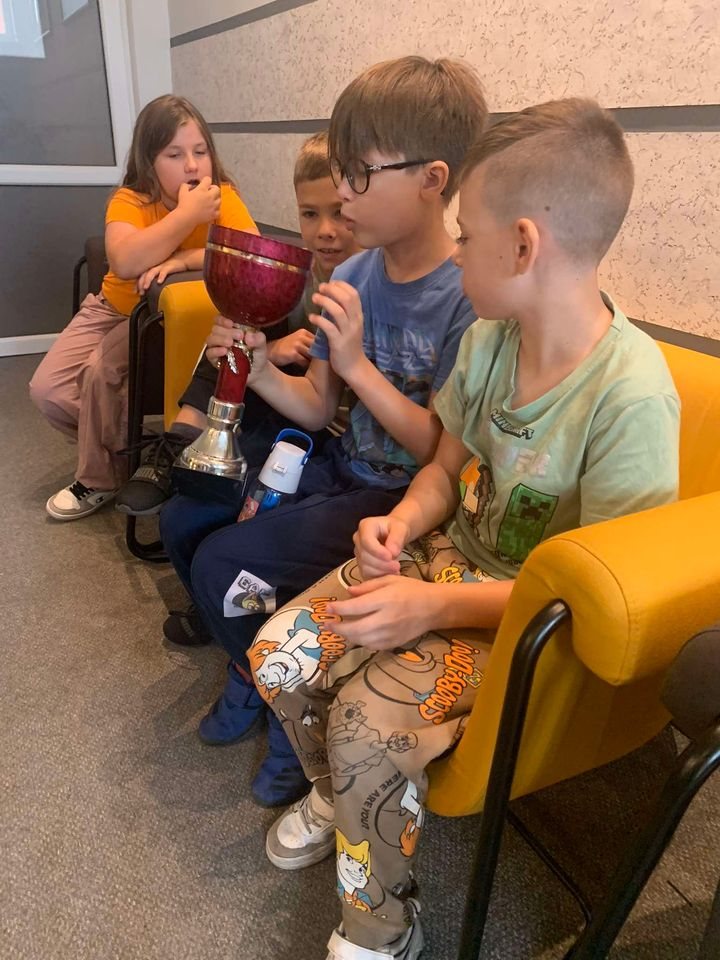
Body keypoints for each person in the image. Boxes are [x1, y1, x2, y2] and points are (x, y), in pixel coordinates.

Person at [249, 97, 681, 960]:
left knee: (363, 726)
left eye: (466, 235)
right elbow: (444, 471)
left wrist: (433, 608)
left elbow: (595, 597)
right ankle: (340, 796)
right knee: (277, 655)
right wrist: (399, 523)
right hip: (442, 563)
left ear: (522, 246)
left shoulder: (630, 397)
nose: (454, 253)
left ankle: (382, 930)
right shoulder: (488, 343)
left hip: (527, 622)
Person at [159, 56, 488, 807]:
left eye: (359, 174)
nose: (343, 193)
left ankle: (286, 706)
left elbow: (439, 454)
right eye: (342, 173)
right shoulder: (352, 276)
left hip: (397, 498)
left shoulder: (467, 298)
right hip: (337, 461)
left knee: (222, 566)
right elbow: (314, 406)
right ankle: (261, 665)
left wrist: (359, 365)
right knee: (188, 518)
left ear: (433, 179)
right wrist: (254, 366)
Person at [29, 94, 256, 521]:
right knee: (49, 392)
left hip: (153, 317)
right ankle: (124, 447)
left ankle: (100, 477)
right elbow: (125, 261)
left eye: (200, 151)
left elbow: (247, 255)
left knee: (100, 372)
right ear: (149, 162)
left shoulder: (221, 197)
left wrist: (182, 259)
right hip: (110, 307)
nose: (192, 165)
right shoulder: (130, 200)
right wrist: (186, 216)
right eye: (175, 154)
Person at [114, 130, 360, 517]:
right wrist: (179, 261)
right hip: (287, 396)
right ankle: (183, 437)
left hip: (325, 423)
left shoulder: (362, 283)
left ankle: (188, 439)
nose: (325, 230)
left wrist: (269, 359)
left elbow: (326, 396)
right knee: (245, 312)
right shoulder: (302, 270)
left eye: (339, 213)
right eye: (310, 214)